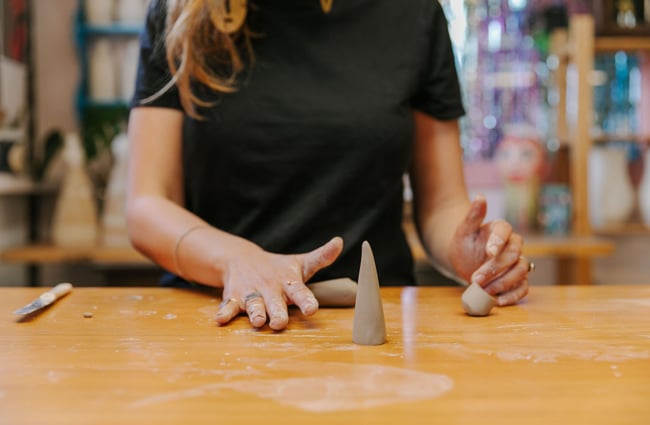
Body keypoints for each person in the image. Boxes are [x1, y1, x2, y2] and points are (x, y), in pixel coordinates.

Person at [126, 0, 531, 331]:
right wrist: (234, 259)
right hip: (220, 319)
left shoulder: (415, 13)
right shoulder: (183, 12)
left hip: (371, 328)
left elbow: (442, 203)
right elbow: (147, 205)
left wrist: (466, 252)